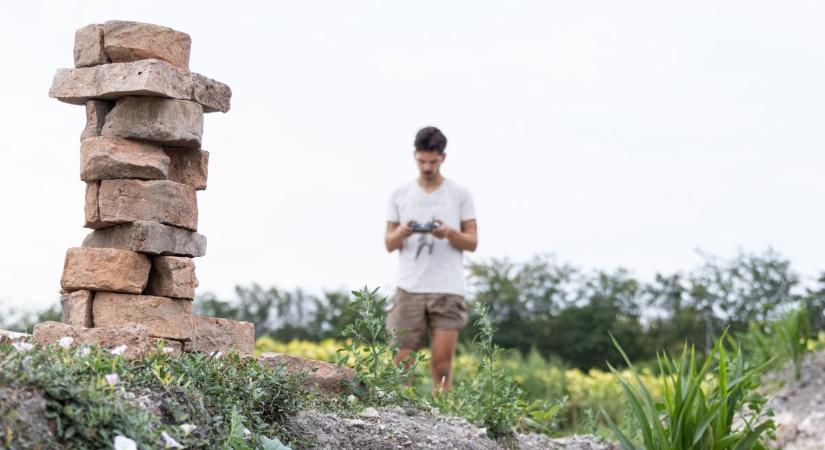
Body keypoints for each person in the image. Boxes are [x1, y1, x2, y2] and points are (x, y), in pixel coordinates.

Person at [384, 126, 478, 392]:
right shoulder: (400, 193)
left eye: (432, 162)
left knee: (442, 366)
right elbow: (389, 243)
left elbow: (472, 241)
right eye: (422, 160)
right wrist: (402, 232)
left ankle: (446, 420)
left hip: (447, 288)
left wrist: (448, 233)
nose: (426, 167)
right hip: (409, 287)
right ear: (415, 156)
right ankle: (401, 419)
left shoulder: (460, 193)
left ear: (443, 158)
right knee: (402, 363)